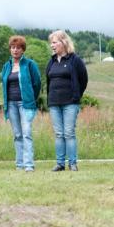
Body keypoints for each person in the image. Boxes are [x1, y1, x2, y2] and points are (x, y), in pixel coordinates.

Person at [46, 30, 88, 171]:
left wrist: (76, 96)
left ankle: (72, 163)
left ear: (63, 42)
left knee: (69, 133)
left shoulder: (74, 60)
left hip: (70, 102)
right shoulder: (51, 62)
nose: (52, 45)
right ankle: (60, 163)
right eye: (51, 43)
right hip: (54, 103)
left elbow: (83, 79)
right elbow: (48, 80)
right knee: (59, 133)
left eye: (54, 42)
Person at [1, 35, 42, 172]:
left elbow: (37, 83)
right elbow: (4, 84)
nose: (15, 50)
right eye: (13, 47)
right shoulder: (7, 66)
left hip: (25, 104)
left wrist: (31, 98)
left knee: (26, 134)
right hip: (11, 104)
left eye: (18, 48)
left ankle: (29, 165)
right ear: (10, 49)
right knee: (17, 134)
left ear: (23, 49)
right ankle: (19, 164)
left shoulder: (30, 64)